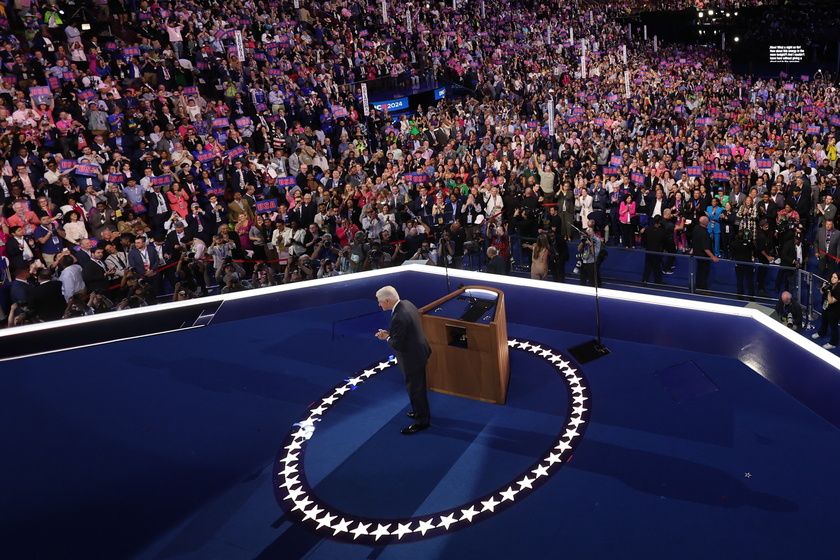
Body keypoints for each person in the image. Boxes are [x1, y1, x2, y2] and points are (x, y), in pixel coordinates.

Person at [375, 286, 432, 435]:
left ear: (388, 300)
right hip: (419, 352)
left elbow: (398, 344)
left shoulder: (399, 316)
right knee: (417, 388)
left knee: (415, 390)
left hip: (412, 358)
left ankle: (422, 422)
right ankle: (419, 411)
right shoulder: (406, 304)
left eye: (380, 301)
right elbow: (407, 330)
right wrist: (391, 333)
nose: (379, 304)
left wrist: (386, 337)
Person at [811, 272, 840, 350]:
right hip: (825, 307)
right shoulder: (830, 284)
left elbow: (831, 301)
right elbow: (821, 292)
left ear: (839, 280)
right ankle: (821, 333)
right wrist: (823, 287)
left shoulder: (839, 290)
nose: (832, 279)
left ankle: (833, 343)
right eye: (832, 277)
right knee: (824, 321)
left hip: (834, 311)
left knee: (833, 327)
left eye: (835, 278)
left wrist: (829, 292)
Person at [692, 216, 720, 292]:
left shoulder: (696, 228)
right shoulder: (704, 234)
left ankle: (697, 286)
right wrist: (713, 257)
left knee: (699, 271)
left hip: (696, 254)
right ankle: (703, 289)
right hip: (703, 256)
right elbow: (706, 248)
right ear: (706, 223)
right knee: (704, 272)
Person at [641, 216, 668, 285]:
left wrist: (645, 246)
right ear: (659, 222)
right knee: (656, 266)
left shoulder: (648, 229)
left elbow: (644, 240)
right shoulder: (662, 232)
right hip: (657, 251)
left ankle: (645, 280)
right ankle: (657, 280)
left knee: (648, 265)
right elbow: (664, 242)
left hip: (649, 250)